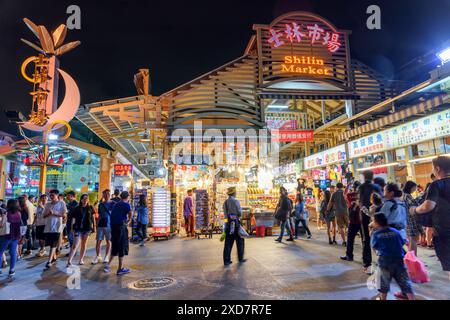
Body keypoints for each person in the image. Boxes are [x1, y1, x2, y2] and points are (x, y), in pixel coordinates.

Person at [410, 156, 450, 279]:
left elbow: (428, 206)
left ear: (437, 168)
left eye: (433, 168)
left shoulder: (436, 185)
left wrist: (414, 210)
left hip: (444, 231)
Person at [370, 213, 415, 300]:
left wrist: (371, 232)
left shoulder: (376, 234)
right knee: (405, 282)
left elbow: (374, 246)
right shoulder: (395, 231)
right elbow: (402, 243)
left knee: (384, 283)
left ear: (376, 222)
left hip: (385, 261)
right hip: (399, 260)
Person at [358, 170, 382, 274]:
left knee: (366, 239)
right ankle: (382, 264)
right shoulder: (376, 187)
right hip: (377, 216)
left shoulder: (361, 187)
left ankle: (367, 265)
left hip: (365, 216)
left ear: (364, 176)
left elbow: (360, 202)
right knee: (380, 239)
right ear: (372, 177)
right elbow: (382, 201)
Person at [104, 191, 132, 275]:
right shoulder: (126, 204)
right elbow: (130, 214)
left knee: (115, 246)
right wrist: (128, 221)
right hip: (121, 227)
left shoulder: (117, 204)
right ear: (127, 197)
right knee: (122, 247)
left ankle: (108, 265)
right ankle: (120, 269)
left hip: (114, 227)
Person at [67, 194, 96, 266]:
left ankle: (81, 260)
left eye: (87, 198)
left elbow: (93, 218)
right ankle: (69, 261)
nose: (86, 200)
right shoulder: (77, 208)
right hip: (78, 228)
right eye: (84, 198)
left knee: (84, 244)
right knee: (75, 245)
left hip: (87, 228)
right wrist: (71, 228)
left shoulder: (90, 207)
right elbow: (73, 219)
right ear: (81, 200)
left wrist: (94, 227)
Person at [43, 189, 67, 271]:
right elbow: (44, 215)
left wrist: (54, 213)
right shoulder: (47, 204)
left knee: (53, 244)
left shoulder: (62, 203)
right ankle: (54, 258)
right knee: (50, 244)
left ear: (57, 195)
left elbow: (64, 215)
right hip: (48, 227)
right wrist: (49, 213)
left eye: (53, 195)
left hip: (57, 227)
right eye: (50, 195)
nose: (51, 197)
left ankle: (49, 261)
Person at [223, 187, 246, 265]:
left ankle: (226, 260)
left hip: (229, 224)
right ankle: (240, 258)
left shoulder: (225, 202)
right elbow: (240, 212)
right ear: (234, 193)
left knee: (228, 242)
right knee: (240, 240)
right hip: (235, 223)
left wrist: (226, 225)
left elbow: (225, 216)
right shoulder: (236, 201)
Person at [0, 199, 22, 277]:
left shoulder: (6, 213)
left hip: (6, 235)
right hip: (15, 235)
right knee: (13, 253)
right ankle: (12, 270)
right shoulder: (19, 213)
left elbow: (1, 225)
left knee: (0, 252)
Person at [341, 181, 362, 261]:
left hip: (353, 221)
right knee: (364, 240)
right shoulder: (362, 196)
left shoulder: (350, 195)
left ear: (353, 187)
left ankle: (349, 256)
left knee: (350, 239)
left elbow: (344, 194)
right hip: (362, 220)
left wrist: (348, 185)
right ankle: (365, 257)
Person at [93, 189, 114, 265]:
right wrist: (96, 225)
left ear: (110, 194)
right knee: (98, 241)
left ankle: (106, 256)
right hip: (101, 225)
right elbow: (99, 215)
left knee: (108, 241)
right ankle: (98, 256)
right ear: (103, 195)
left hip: (109, 225)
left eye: (108, 194)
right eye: (105, 194)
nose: (107, 195)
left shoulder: (113, 203)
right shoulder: (101, 204)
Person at [402, 181, 422, 256]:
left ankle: (412, 258)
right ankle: (413, 258)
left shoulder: (404, 195)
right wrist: (420, 197)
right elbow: (414, 205)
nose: (414, 189)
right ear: (410, 187)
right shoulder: (407, 196)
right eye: (414, 188)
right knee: (413, 240)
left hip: (407, 220)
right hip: (411, 220)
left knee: (412, 239)